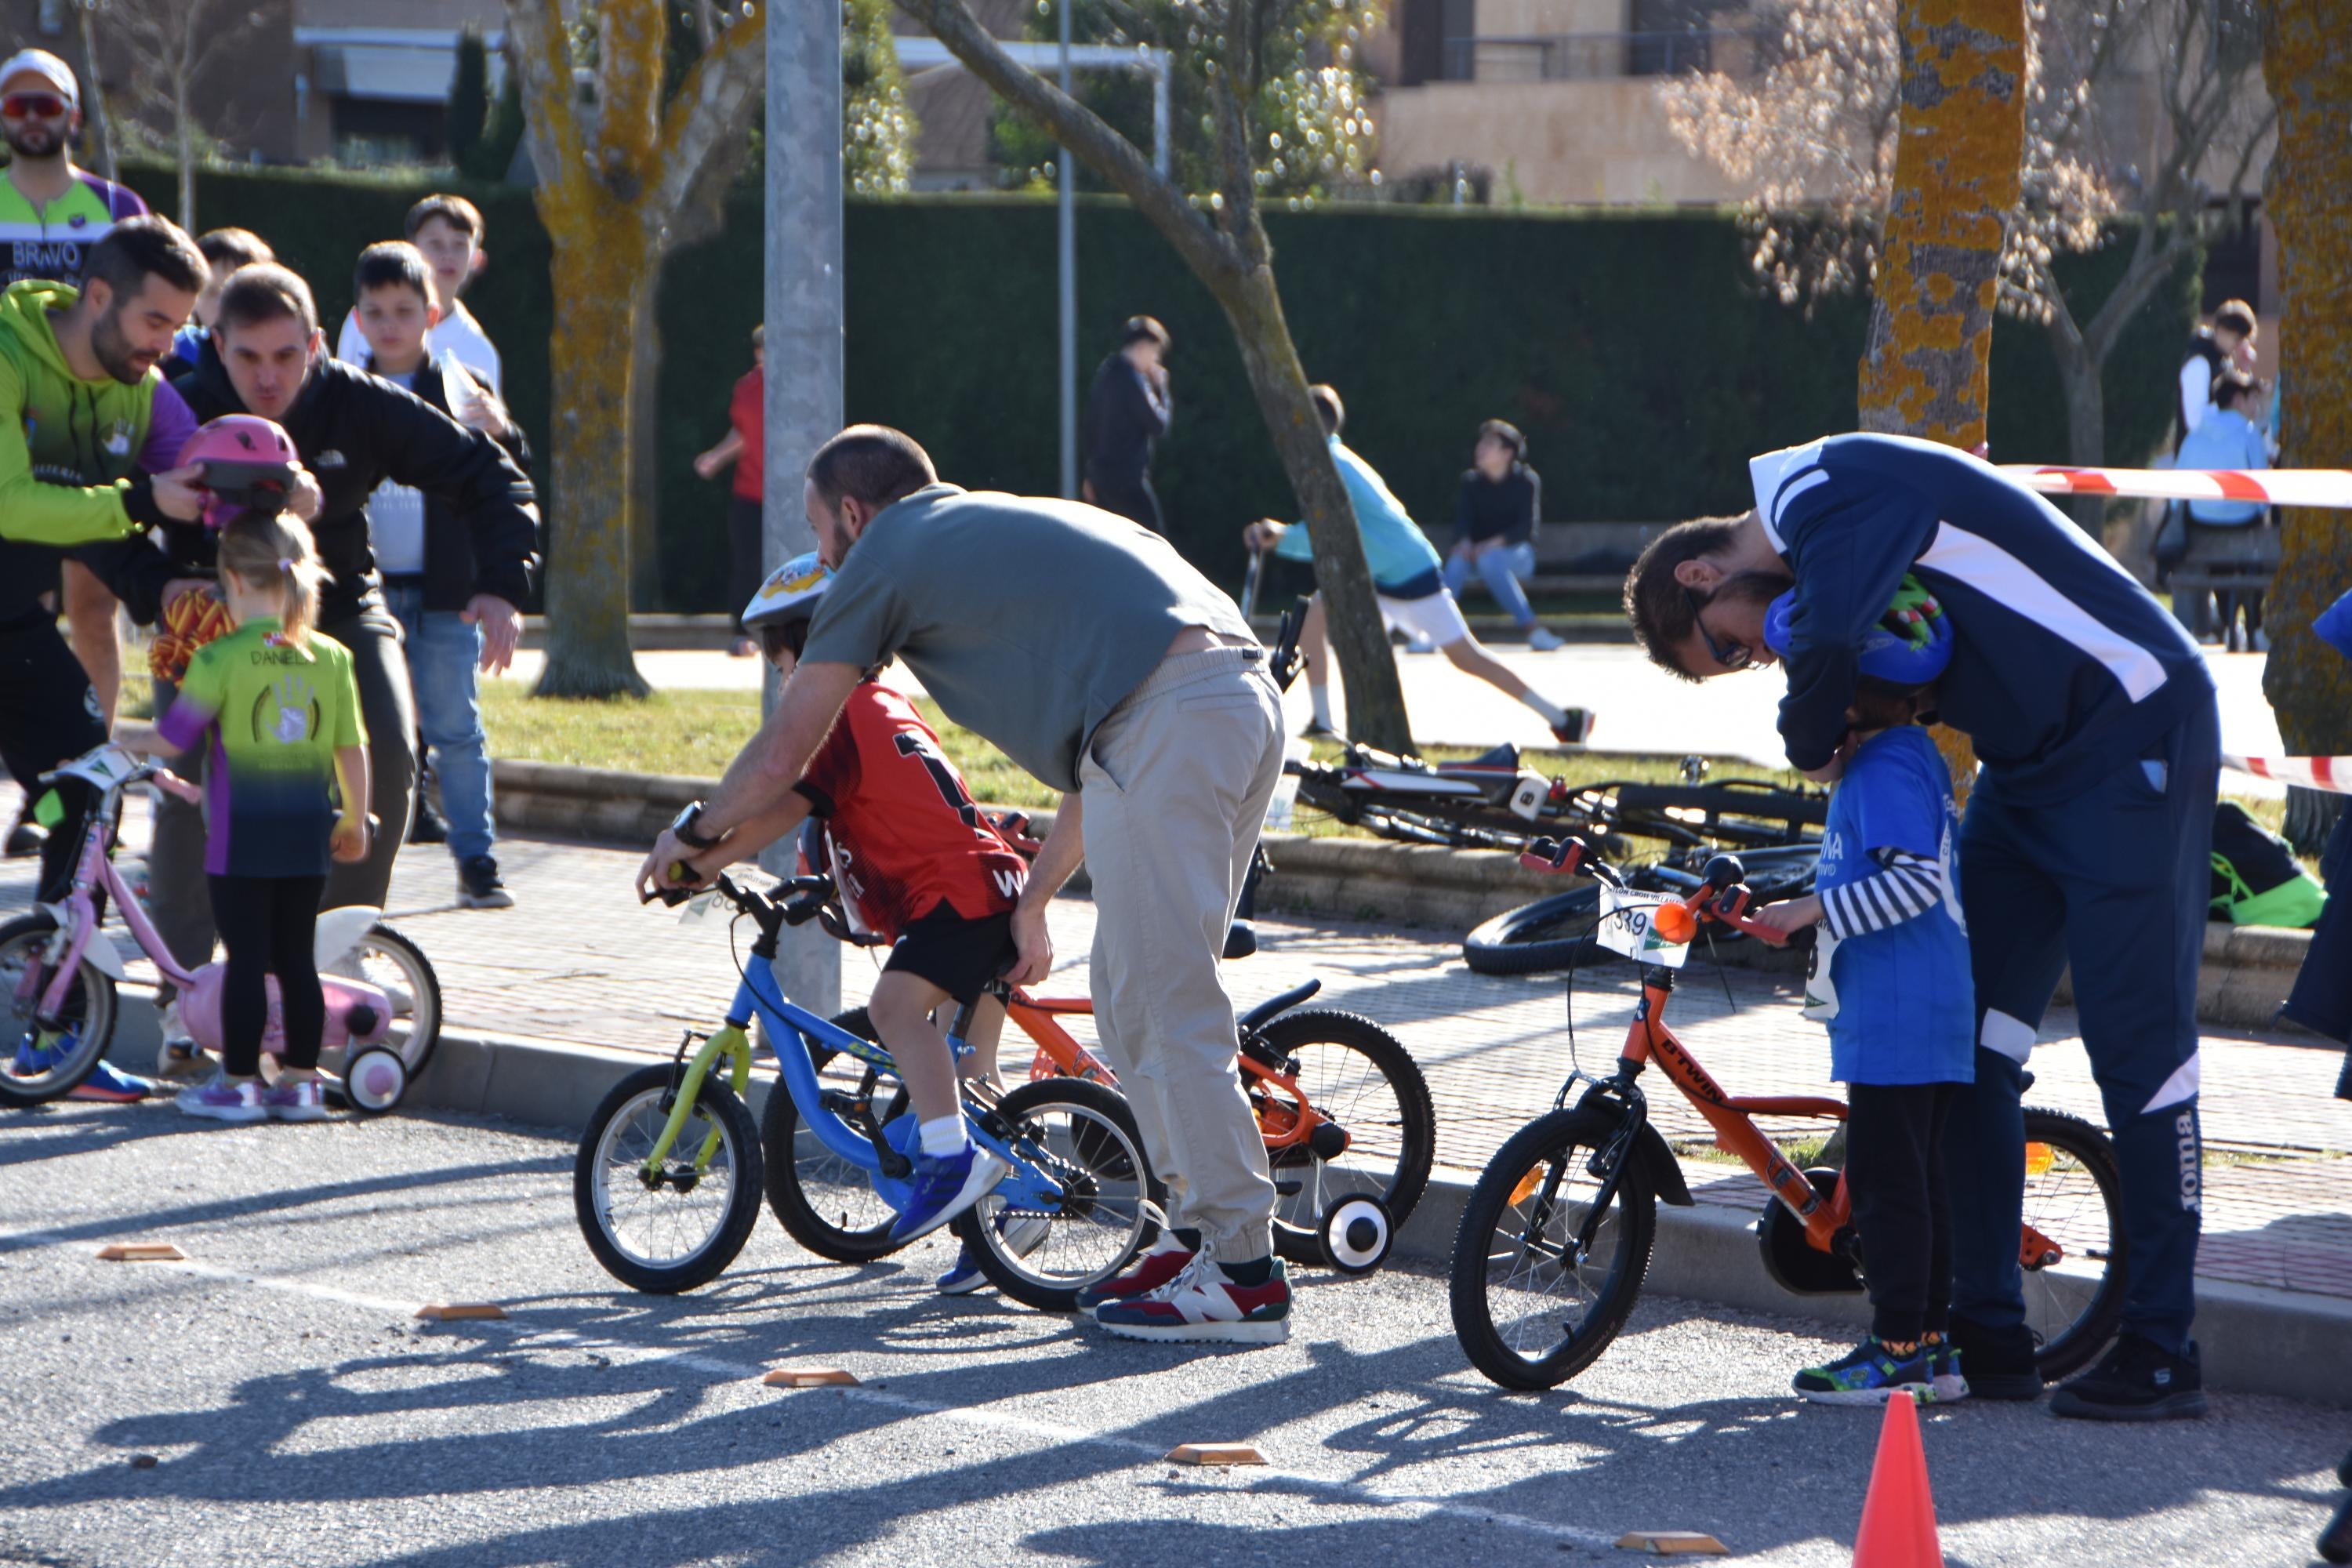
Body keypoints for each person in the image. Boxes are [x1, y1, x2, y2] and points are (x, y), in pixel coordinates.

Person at [636, 425, 1295, 1343]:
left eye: (822, 532)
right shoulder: (997, 527)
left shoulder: (885, 552)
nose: (825, 556)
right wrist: (1033, 900)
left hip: (1174, 715)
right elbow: (1099, 753)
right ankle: (1197, 1238)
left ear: (855, 515)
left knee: (1165, 993)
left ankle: (1244, 1272)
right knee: (1127, 991)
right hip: (1227, 696)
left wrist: (692, 834)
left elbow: (787, 748)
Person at [1624, 431, 2219, 1421]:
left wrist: (1807, 739)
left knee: (2141, 1055)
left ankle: (2162, 1344)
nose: (1757, 650)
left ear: (1701, 572)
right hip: (2026, 772)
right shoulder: (1819, 530)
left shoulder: (1826, 488)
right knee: (1969, 1047)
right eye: (1739, 661)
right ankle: (1986, 1331)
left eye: (1730, 642)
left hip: (2133, 727)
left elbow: (1818, 649)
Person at [134, 263, 535, 1000]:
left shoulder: (359, 403)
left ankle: (330, 954)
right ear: (216, 345)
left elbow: (491, 476)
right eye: (247, 357)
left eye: (287, 356)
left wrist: (503, 584)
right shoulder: (176, 409)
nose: (267, 378)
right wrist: (152, 570)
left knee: (386, 758)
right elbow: (106, 511)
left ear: (318, 344)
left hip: (336, 601)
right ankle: (184, 994)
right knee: (188, 787)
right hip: (208, 616)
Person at [672, 550, 1034, 1275]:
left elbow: (780, 806)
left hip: (956, 897)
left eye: (780, 663)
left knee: (896, 1010)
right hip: (990, 886)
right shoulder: (889, 705)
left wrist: (700, 860)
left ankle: (952, 1164)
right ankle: (1003, 1232)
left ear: (807, 649)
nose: (781, 679)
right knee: (966, 1071)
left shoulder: (835, 717)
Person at [0, 216, 209, 1102]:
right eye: (157, 323)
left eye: (179, 326)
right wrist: (137, 501)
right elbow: (13, 503)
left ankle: (55, 1036)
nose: (169, 346)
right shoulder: (8, 353)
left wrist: (171, 589)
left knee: (88, 786)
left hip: (10, 622)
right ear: (98, 298)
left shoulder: (141, 389)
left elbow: (177, 497)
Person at [1748, 585, 1973, 1404]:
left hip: (1900, 1008)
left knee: (1886, 1182)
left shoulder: (1884, 767)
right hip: (1919, 1004)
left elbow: (1910, 883)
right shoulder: (1899, 756)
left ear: (1865, 687)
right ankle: (1935, 1345)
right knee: (1918, 1179)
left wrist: (1810, 910)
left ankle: (1898, 1343)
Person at [115, 510, 369, 1123]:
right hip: (309, 831)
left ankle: (239, 1082)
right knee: (295, 960)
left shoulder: (218, 658)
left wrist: (119, 733)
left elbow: (175, 737)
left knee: (247, 961)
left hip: (239, 839)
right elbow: (351, 748)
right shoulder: (331, 657)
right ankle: (304, 1084)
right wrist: (357, 818)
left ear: (230, 579)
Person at [1243, 385, 1593, 746]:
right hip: (1379, 577)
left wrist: (1282, 537)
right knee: (1313, 616)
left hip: (1409, 573)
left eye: (1291, 418)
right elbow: (1331, 531)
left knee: (1468, 659)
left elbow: (1330, 531)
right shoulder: (1329, 460)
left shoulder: (1331, 465)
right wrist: (1282, 536)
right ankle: (1323, 721)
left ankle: (1563, 719)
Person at [345, 240, 528, 909]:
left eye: (404, 310)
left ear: (431, 315)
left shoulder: (457, 385)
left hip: (448, 592)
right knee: (361, 732)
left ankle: (477, 860)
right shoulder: (340, 391)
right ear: (357, 319)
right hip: (364, 593)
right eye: (375, 311)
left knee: (456, 730)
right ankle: (357, 865)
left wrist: (503, 430)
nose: (390, 324)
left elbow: (510, 476)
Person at [0, 49, 154, 753]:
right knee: (17, 610)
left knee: (93, 605)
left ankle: (94, 775)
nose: (33, 118)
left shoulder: (118, 209)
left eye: (47, 104)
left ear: (74, 113)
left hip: (95, 427)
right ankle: (38, 772)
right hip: (8, 429)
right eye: (17, 105)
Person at [335, 194, 501, 397]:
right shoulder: (359, 322)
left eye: (459, 244)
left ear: (477, 258)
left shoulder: (479, 351)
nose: (447, 255)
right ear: (410, 248)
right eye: (436, 244)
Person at [2172, 367, 2273, 652]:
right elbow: (2263, 491)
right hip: (2243, 525)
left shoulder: (2196, 433)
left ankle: (2230, 624)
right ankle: (2254, 623)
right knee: (2252, 549)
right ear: (2239, 400)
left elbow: (2176, 494)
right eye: (2253, 399)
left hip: (2202, 526)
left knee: (2219, 556)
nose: (2255, 407)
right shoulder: (2249, 432)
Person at [1443, 419, 1560, 649]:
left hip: (1517, 557)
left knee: (1489, 561)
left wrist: (1487, 546)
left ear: (1507, 453)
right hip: (1476, 557)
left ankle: (1533, 629)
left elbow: (1524, 530)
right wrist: (1465, 543)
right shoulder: (1470, 482)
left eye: (1488, 444)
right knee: (1456, 562)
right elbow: (1463, 525)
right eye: (1480, 444)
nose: (1480, 449)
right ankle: (1433, 633)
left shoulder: (1526, 481)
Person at [693, 324, 765, 658]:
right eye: (764, 348)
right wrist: (716, 458)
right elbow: (743, 434)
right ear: (758, 353)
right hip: (750, 492)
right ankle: (743, 633)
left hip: (795, 496)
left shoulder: (803, 385)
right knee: (747, 564)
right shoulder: (748, 388)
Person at [1081, 315, 1172, 532]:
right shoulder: (1133, 381)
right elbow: (1159, 425)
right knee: (1153, 541)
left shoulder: (1106, 373)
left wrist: (1089, 475)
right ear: (1142, 347)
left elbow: (1089, 428)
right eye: (1154, 352)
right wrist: (1161, 389)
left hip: (1101, 479)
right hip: (1127, 480)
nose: (1156, 359)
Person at [159, 227, 274, 380]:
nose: (222, 304)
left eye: (235, 293)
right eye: (212, 292)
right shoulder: (171, 358)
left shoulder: (284, 359)